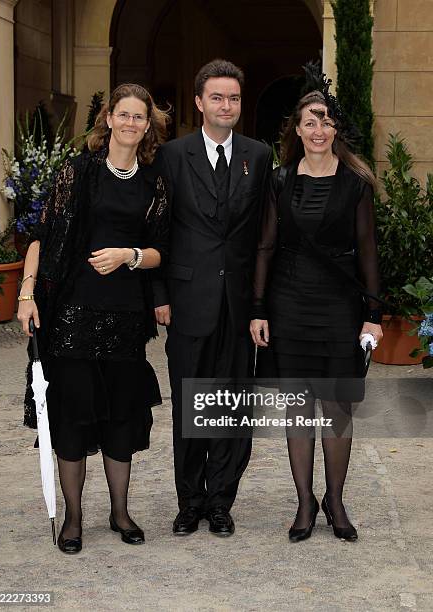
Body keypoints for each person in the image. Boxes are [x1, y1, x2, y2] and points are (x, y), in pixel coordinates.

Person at [18, 83, 169, 554]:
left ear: (148, 126)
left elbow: (161, 253)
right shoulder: (77, 171)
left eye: (138, 117)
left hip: (125, 315)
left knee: (122, 415)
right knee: (73, 416)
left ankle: (120, 512)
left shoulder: (153, 182)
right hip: (71, 314)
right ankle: (75, 518)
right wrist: (26, 294)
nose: (130, 123)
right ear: (108, 119)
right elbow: (42, 236)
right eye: (122, 114)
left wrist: (129, 254)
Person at [250, 66, 383, 543]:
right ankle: (305, 502)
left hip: (340, 307)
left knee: (338, 407)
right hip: (288, 305)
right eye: (310, 121)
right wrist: (259, 308)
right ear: (298, 130)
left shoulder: (356, 184)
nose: (318, 129)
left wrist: (373, 314)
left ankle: (336, 500)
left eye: (326, 121)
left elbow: (368, 250)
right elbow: (265, 246)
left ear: (335, 130)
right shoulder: (280, 180)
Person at [154, 59, 272, 536]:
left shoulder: (259, 156)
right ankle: (190, 501)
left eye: (235, 98)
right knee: (190, 405)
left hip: (240, 303)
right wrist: (158, 294)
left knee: (232, 404)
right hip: (187, 299)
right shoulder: (171, 155)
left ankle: (221, 501)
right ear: (199, 102)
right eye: (218, 97)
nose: (227, 105)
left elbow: (264, 236)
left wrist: (262, 305)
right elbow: (157, 229)